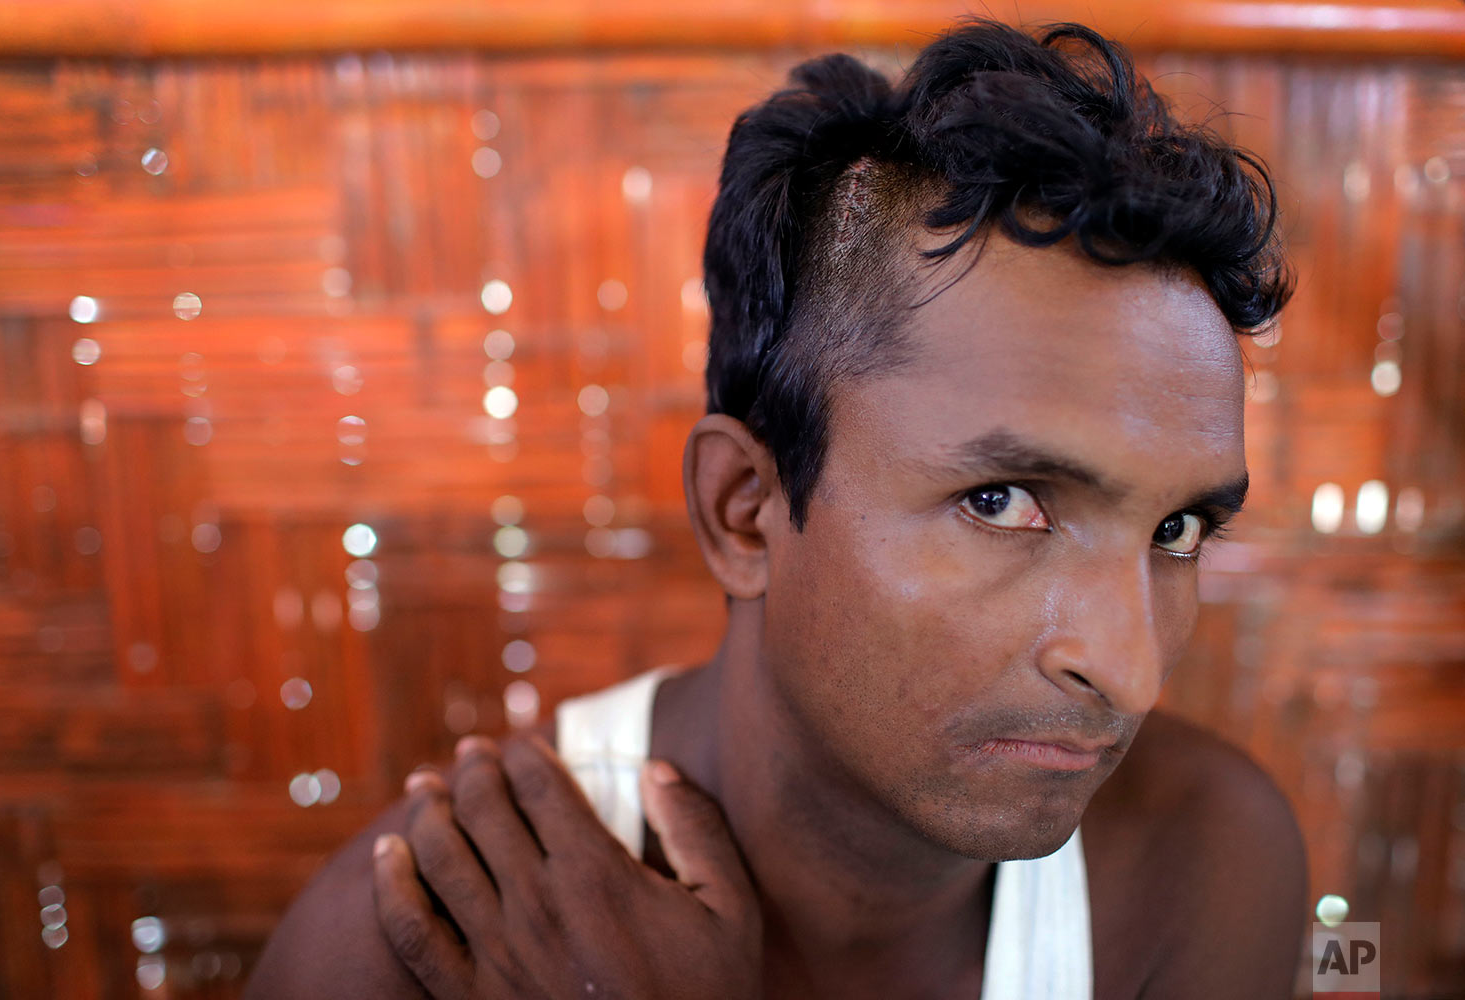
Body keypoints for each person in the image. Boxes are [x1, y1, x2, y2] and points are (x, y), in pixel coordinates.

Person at [246, 18, 1308, 1000]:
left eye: (1178, 531)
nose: (1127, 669)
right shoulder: (411, 948)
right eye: (1003, 501)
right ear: (744, 510)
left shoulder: (1205, 866)